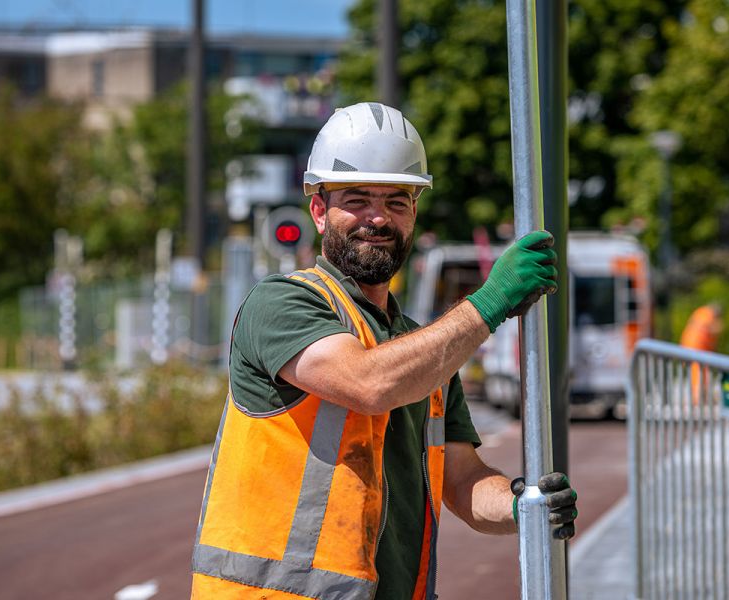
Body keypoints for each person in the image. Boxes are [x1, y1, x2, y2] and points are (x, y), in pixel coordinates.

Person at [190, 102, 578, 600]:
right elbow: (366, 383)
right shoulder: (282, 302)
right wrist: (490, 302)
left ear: (414, 214)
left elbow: (462, 481)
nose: (378, 217)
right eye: (357, 199)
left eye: (397, 201)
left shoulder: (424, 349)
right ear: (318, 211)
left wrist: (523, 506)